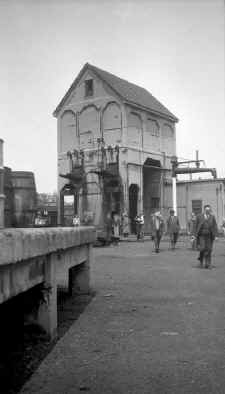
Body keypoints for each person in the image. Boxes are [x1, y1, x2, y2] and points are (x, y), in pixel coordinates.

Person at [195, 204, 218, 269]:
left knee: (209, 249)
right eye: (206, 210)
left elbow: (215, 226)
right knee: (202, 248)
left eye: (209, 210)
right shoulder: (199, 216)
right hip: (201, 235)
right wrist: (193, 235)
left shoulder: (212, 217)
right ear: (204, 210)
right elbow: (195, 226)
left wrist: (216, 235)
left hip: (209, 236)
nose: (208, 211)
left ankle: (208, 264)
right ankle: (201, 261)